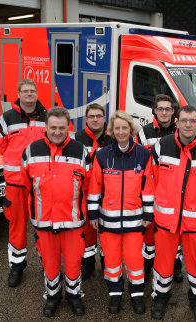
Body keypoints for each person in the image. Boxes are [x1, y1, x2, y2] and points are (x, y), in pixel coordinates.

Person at [150, 105, 196, 322]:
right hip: (166, 221)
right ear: (177, 122)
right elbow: (152, 177)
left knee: (195, 264)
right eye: (184, 120)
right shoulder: (161, 146)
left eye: (192, 121)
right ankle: (161, 297)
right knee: (163, 263)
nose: (188, 124)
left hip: (195, 223)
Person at [20, 107, 88, 318]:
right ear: (46, 128)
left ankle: (74, 295)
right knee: (49, 262)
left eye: (62, 127)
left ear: (68, 127)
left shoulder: (80, 150)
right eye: (53, 128)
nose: (57, 132)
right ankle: (52, 296)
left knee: (74, 261)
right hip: (44, 221)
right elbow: (26, 184)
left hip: (72, 220)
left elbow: (88, 186)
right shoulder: (31, 151)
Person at [87, 111, 155, 315]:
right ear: (112, 131)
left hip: (135, 222)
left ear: (131, 129)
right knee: (112, 261)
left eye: (125, 127)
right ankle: (115, 295)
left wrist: (148, 214)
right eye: (117, 128)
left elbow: (148, 188)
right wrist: (93, 215)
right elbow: (95, 187)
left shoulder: (144, 154)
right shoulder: (102, 155)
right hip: (109, 222)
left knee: (135, 261)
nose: (121, 132)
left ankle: (136, 295)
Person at [0, 78, 47, 288]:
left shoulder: (47, 116)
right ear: (18, 93)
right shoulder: (6, 118)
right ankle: (17, 266)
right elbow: (0, 146)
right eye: (25, 91)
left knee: (43, 226)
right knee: (17, 226)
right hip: (16, 183)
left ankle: (48, 264)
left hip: (40, 183)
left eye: (32, 91)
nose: (29, 94)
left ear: (36, 93)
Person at [136, 94, 183, 283]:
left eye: (168, 109)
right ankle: (147, 266)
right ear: (154, 110)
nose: (164, 112)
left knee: (174, 233)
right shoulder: (143, 133)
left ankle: (175, 266)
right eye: (160, 109)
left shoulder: (181, 132)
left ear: (173, 111)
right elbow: (138, 162)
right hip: (150, 190)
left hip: (173, 192)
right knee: (149, 233)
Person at [74, 103, 112, 280]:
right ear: (86, 119)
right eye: (91, 116)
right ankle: (87, 264)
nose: (95, 119)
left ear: (104, 118)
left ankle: (107, 264)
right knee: (87, 233)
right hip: (85, 195)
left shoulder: (113, 138)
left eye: (99, 116)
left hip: (109, 195)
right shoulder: (77, 139)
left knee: (107, 232)